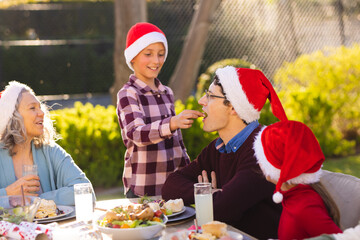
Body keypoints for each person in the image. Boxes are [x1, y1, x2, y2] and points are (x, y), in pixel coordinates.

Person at [162, 66, 288, 239]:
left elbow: (220, 210)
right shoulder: (217, 148)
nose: (201, 101)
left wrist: (214, 199)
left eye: (210, 96)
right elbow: (170, 186)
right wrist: (207, 193)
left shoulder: (263, 152)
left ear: (234, 107)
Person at [117, 22, 204, 198]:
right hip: (144, 190)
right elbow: (136, 134)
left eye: (161, 54)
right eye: (148, 54)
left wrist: (189, 174)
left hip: (173, 187)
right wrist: (172, 123)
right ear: (133, 57)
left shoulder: (167, 92)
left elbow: (177, 143)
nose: (156, 61)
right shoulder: (128, 93)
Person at [0, 81, 95, 206]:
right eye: (32, 108)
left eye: (40, 107)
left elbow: (86, 191)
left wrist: (37, 201)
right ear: (13, 116)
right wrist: (7, 194)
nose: (41, 113)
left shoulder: (51, 150)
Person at [253, 120, 343, 239]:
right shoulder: (292, 195)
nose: (258, 162)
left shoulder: (305, 207)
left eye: (263, 157)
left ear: (280, 167)